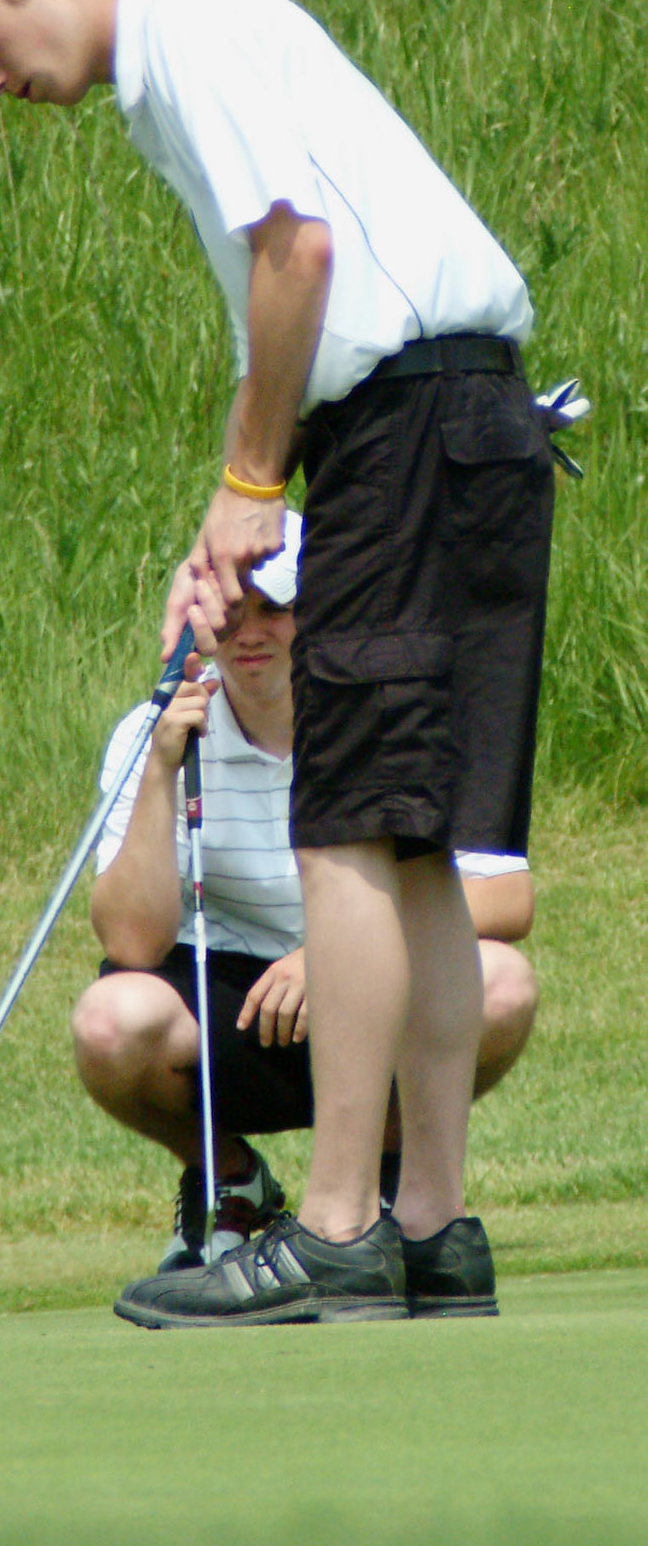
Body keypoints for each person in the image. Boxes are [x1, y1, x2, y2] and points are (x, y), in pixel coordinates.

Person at [0, 0, 557, 1323]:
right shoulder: (208, 36)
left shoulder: (181, 36)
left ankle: (331, 1232)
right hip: (479, 428)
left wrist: (249, 484)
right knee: (415, 840)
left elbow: (295, 255)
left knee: (351, 833)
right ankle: (433, 1228)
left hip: (406, 422)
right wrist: (255, 487)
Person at [70, 515, 537, 1300]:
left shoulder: (398, 721)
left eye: (275, 608)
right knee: (109, 1019)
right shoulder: (153, 733)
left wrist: (329, 958)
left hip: (372, 995)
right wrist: (157, 771)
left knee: (503, 983)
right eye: (232, 612)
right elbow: (130, 939)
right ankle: (232, 1181)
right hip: (228, 1004)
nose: (251, 632)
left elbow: (503, 896)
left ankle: (387, 1179)